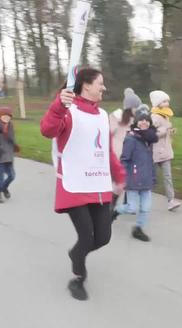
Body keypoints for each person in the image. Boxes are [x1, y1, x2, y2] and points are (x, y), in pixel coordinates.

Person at [40, 68, 126, 301]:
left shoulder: (102, 115)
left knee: (104, 236)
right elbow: (47, 130)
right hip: (74, 184)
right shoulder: (68, 111)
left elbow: (106, 150)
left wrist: (120, 175)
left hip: (98, 184)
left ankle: (75, 253)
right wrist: (59, 105)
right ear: (86, 85)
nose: (104, 87)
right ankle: (78, 276)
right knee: (87, 236)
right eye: (100, 83)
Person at [112, 105, 158, 241]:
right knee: (131, 208)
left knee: (146, 208)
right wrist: (123, 177)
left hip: (146, 180)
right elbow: (124, 160)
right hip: (133, 179)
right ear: (136, 122)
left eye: (146, 120)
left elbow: (150, 161)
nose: (144, 122)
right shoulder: (131, 139)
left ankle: (138, 229)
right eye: (141, 120)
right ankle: (114, 212)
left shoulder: (149, 140)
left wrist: (153, 177)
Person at [150, 90, 181, 211]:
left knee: (168, 177)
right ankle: (140, 197)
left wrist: (170, 131)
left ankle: (171, 200)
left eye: (167, 100)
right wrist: (165, 130)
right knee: (151, 178)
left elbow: (165, 131)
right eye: (164, 101)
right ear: (157, 103)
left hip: (166, 152)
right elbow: (151, 134)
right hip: (155, 153)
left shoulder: (165, 116)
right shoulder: (154, 117)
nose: (167, 103)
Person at [0, 106, 20, 203]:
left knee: (12, 176)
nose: (6, 118)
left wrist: (15, 145)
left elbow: (11, 138)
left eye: (8, 116)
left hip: (9, 156)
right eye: (4, 116)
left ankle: (4, 188)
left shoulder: (10, 126)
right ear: (0, 116)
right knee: (1, 177)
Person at [109, 87, 142, 158]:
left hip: (132, 157)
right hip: (118, 155)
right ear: (129, 108)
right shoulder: (117, 118)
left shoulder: (137, 121)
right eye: (136, 107)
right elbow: (108, 133)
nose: (138, 110)